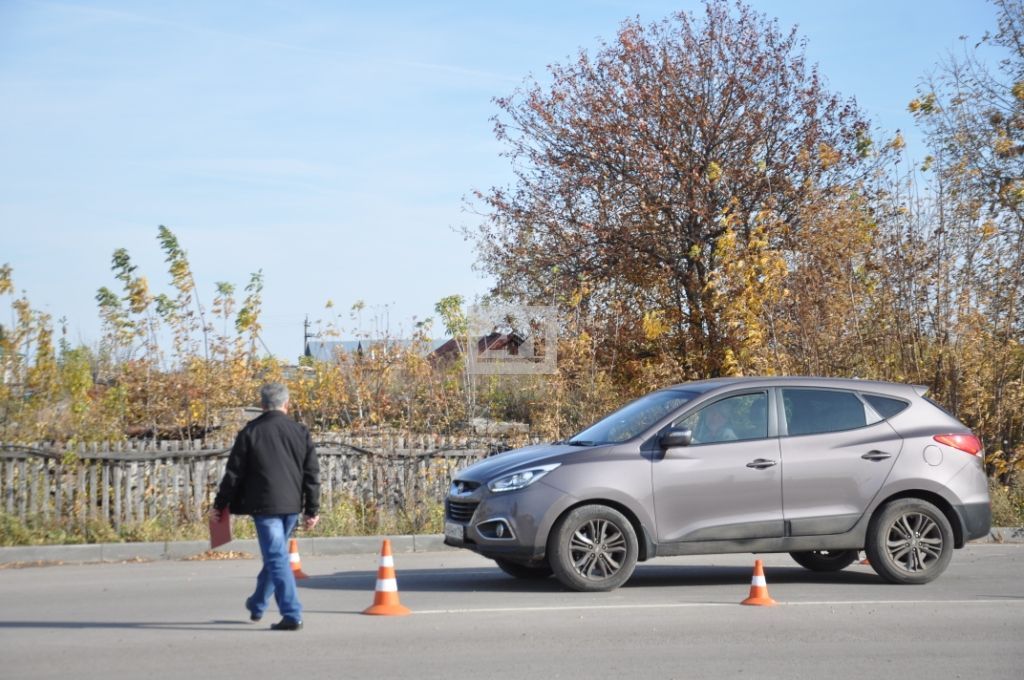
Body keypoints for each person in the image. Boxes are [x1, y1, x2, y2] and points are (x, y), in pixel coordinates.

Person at [212, 382, 320, 631]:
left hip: (264, 507)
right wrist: (312, 509)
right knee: (277, 557)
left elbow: (233, 475)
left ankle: (292, 613)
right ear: (287, 404)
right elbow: (311, 474)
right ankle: (258, 602)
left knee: (276, 557)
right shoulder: (300, 431)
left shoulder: (250, 432)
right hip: (292, 506)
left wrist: (220, 504)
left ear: (262, 406)